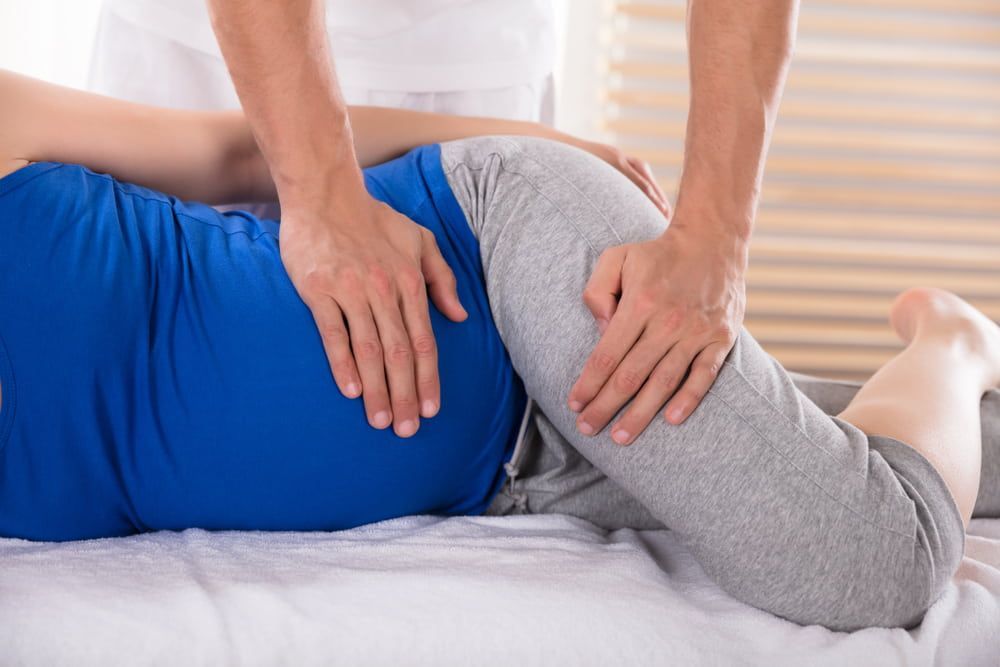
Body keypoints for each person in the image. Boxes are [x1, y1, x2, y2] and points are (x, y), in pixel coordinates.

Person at [1, 70, 999, 634]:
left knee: (869, 560)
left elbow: (239, 149)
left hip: (498, 258)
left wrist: (533, 141)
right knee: (956, 474)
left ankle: (952, 339)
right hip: (511, 480)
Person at [90, 0, 776, 443]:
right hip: (210, 56)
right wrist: (321, 189)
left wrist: (716, 234)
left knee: (669, 421)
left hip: (480, 73)